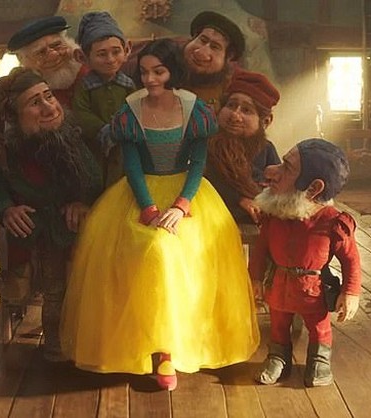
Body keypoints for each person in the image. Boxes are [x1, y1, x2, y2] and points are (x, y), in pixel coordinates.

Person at [60, 38, 260, 391]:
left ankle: (173, 348)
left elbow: (198, 163)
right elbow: (132, 165)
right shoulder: (131, 110)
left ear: (174, 73)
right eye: (144, 72)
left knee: (179, 251)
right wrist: (149, 207)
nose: (150, 79)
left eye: (159, 71)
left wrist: (181, 206)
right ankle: (149, 347)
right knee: (150, 251)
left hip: (189, 193)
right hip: (139, 193)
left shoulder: (194, 110)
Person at [0, 68, 102, 361]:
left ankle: (92, 341)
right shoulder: (11, 152)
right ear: (15, 117)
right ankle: (56, 343)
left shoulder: (72, 137)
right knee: (55, 288)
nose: (50, 107)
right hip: (45, 230)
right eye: (35, 103)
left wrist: (83, 202)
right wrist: (6, 208)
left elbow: (94, 177)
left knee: (86, 284)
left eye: (48, 96)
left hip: (81, 227)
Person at [248, 138, 361, 387]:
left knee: (318, 326)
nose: (270, 172)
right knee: (278, 324)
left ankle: (319, 359)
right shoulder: (274, 216)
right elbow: (260, 250)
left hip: (312, 290)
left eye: (286, 167)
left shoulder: (332, 222)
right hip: (278, 284)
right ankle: (278, 356)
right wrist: (255, 278)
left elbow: (350, 258)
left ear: (313, 188)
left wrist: (351, 292)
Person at [0, 16, 87, 164]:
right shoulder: (22, 93)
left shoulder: (93, 71)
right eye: (41, 52)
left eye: (57, 45)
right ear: (26, 62)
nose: (53, 55)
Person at [205, 69, 281, 225]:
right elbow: (203, 183)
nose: (235, 115)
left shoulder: (266, 149)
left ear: (266, 121)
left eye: (246, 110)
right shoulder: (205, 145)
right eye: (231, 105)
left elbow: (279, 187)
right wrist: (239, 199)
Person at [72, 11, 134, 187]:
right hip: (94, 146)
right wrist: (101, 130)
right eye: (101, 54)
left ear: (127, 50)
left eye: (116, 52)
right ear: (84, 58)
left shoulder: (127, 85)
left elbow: (135, 108)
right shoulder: (85, 86)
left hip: (124, 146)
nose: (110, 60)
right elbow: (81, 113)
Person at [183, 11, 246, 113]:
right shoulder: (162, 66)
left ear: (228, 57)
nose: (201, 52)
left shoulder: (229, 92)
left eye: (215, 47)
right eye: (202, 40)